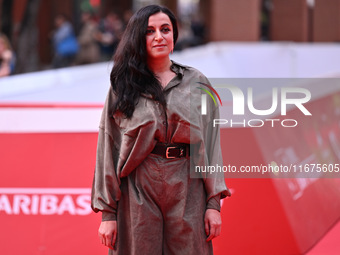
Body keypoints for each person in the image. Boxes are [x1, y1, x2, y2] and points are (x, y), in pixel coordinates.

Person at [91, 5, 231, 255]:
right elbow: (108, 146)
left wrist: (213, 203)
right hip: (138, 185)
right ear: (138, 37)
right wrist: (107, 213)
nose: (159, 36)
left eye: (165, 29)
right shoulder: (123, 85)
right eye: (150, 31)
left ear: (174, 35)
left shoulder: (196, 82)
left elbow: (210, 143)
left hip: (188, 184)